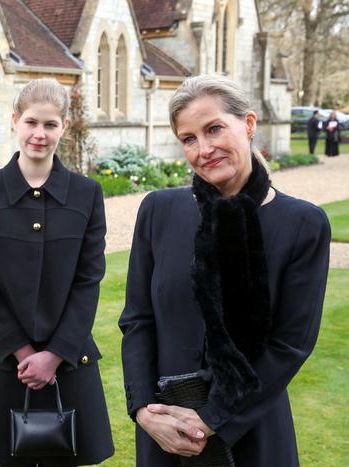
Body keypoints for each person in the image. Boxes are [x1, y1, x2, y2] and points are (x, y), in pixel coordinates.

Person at [119, 75, 330, 466]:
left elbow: (290, 345)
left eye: (214, 128)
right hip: (165, 432)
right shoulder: (158, 211)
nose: (204, 149)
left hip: (252, 431)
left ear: (248, 124)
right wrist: (144, 409)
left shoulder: (303, 223)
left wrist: (212, 418)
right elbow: (137, 320)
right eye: (189, 138)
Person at [0, 78, 115, 466]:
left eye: (50, 124)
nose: (39, 134)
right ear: (15, 121)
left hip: (69, 363)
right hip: (4, 361)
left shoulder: (87, 193)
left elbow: (88, 280)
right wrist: (24, 352)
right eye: (31, 122)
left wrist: (55, 354)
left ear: (64, 126)